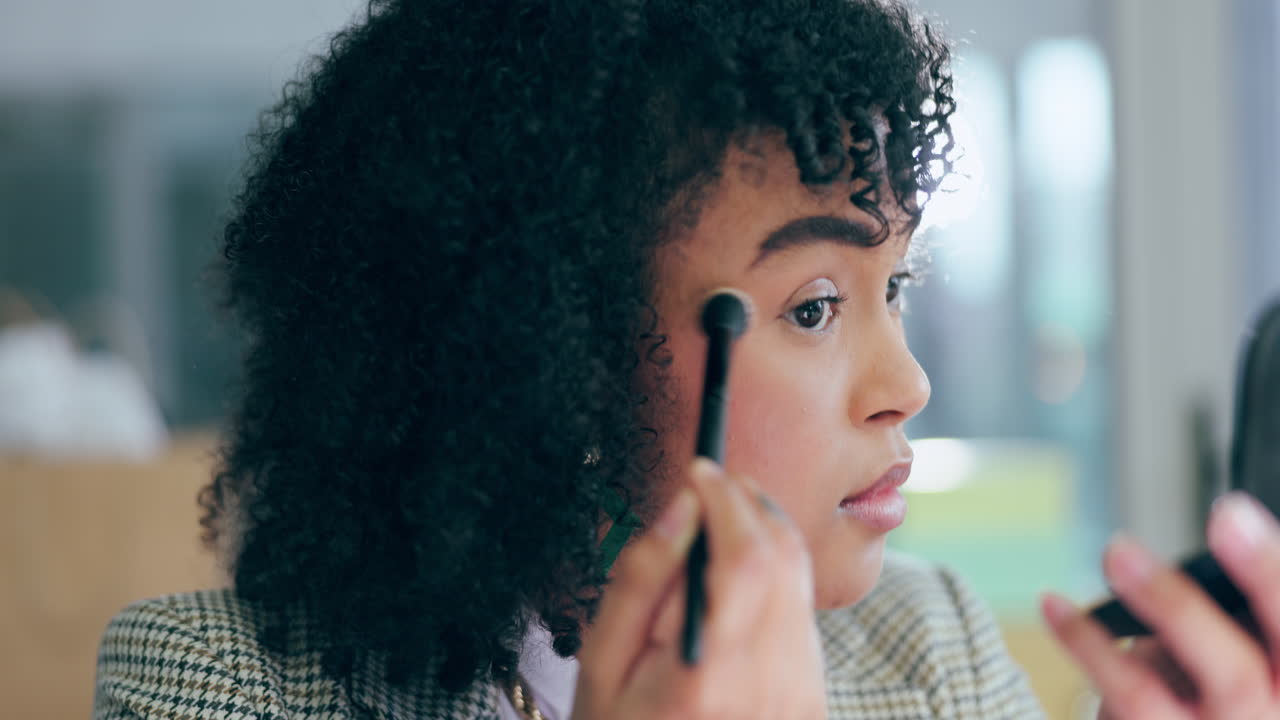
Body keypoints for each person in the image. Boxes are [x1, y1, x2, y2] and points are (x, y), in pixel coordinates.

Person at [92, 1, 1280, 718]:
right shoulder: (213, 686)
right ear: (548, 364)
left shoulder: (930, 648)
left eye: (893, 288)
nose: (906, 386)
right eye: (813, 307)